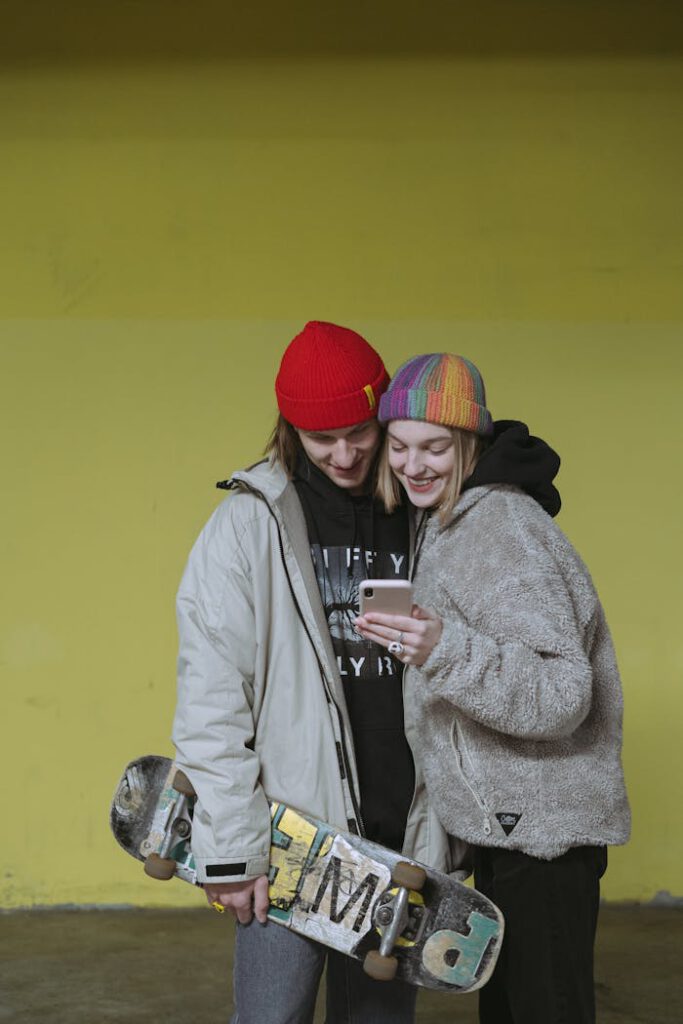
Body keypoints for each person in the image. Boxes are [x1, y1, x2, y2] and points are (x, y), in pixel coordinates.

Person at [172, 322, 462, 1024]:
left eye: (358, 432)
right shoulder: (248, 525)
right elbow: (212, 698)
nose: (342, 453)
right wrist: (233, 853)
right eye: (318, 437)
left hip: (399, 837)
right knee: (271, 1016)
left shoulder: (428, 508)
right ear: (288, 429)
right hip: (287, 837)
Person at [355, 352, 631, 1024]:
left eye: (434, 447)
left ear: (468, 443)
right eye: (399, 446)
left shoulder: (500, 527)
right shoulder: (450, 520)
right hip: (512, 834)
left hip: (545, 841)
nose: (413, 465)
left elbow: (562, 692)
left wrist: (441, 649)